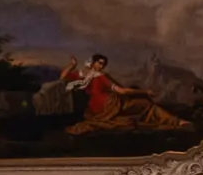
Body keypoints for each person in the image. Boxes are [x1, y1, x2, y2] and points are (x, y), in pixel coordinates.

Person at [62, 55, 190, 134]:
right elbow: (122, 91)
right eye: (99, 63)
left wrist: (72, 65)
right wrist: (145, 91)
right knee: (147, 105)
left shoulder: (83, 75)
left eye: (103, 64)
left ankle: (172, 121)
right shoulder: (100, 76)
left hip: (94, 108)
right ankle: (176, 121)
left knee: (133, 109)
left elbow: (63, 76)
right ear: (93, 62)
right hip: (110, 105)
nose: (102, 66)